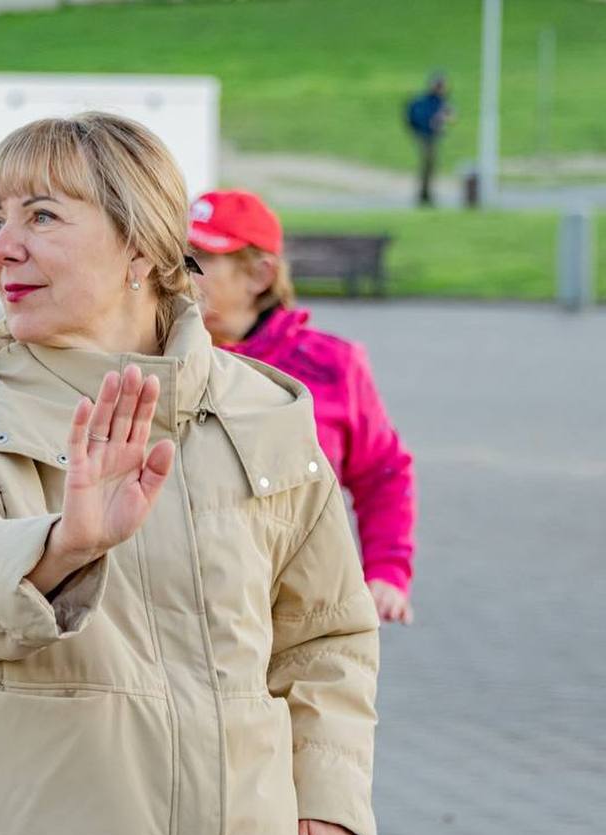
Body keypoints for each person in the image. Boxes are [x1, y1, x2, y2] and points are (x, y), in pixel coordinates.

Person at [0, 112, 381, 835]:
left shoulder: (264, 411)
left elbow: (326, 633)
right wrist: (63, 545)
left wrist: (327, 796)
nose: (3, 247)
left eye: (41, 216)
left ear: (141, 248)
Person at [187, 189, 416, 625]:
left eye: (200, 259)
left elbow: (383, 472)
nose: (180, 274)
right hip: (191, 618)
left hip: (303, 615)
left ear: (260, 275)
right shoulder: (157, 361)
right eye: (177, 256)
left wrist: (388, 570)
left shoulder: (333, 365)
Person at [405, 71, 454, 206]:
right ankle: (424, 194)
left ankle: (426, 193)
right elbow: (417, 117)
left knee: (430, 165)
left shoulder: (441, 101)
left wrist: (443, 120)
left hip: (432, 136)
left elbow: (450, 116)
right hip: (424, 135)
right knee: (428, 164)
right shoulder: (425, 101)